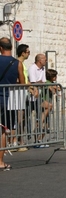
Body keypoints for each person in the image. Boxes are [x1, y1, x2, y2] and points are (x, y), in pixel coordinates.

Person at [0, 37, 26, 170]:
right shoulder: (17, 64)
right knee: (4, 130)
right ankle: (0, 161)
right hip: (7, 99)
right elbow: (22, 83)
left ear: (0, 48)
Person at [7, 44, 31, 152]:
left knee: (20, 119)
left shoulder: (22, 64)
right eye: (28, 52)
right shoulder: (18, 64)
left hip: (21, 93)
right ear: (23, 53)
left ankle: (18, 141)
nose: (29, 53)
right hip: (17, 94)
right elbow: (19, 80)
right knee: (16, 119)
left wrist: (31, 87)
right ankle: (13, 142)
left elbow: (25, 79)